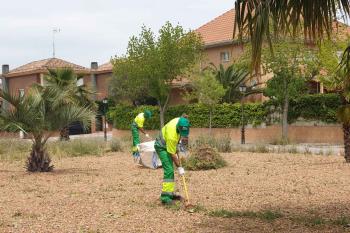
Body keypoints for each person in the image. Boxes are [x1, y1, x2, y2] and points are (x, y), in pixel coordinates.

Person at [154, 116, 190, 204]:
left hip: (169, 144)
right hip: (161, 147)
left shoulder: (181, 121)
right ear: (178, 127)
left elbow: (178, 139)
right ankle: (165, 198)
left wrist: (177, 145)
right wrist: (179, 167)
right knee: (169, 170)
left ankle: (169, 193)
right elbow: (172, 154)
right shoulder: (171, 136)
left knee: (170, 170)